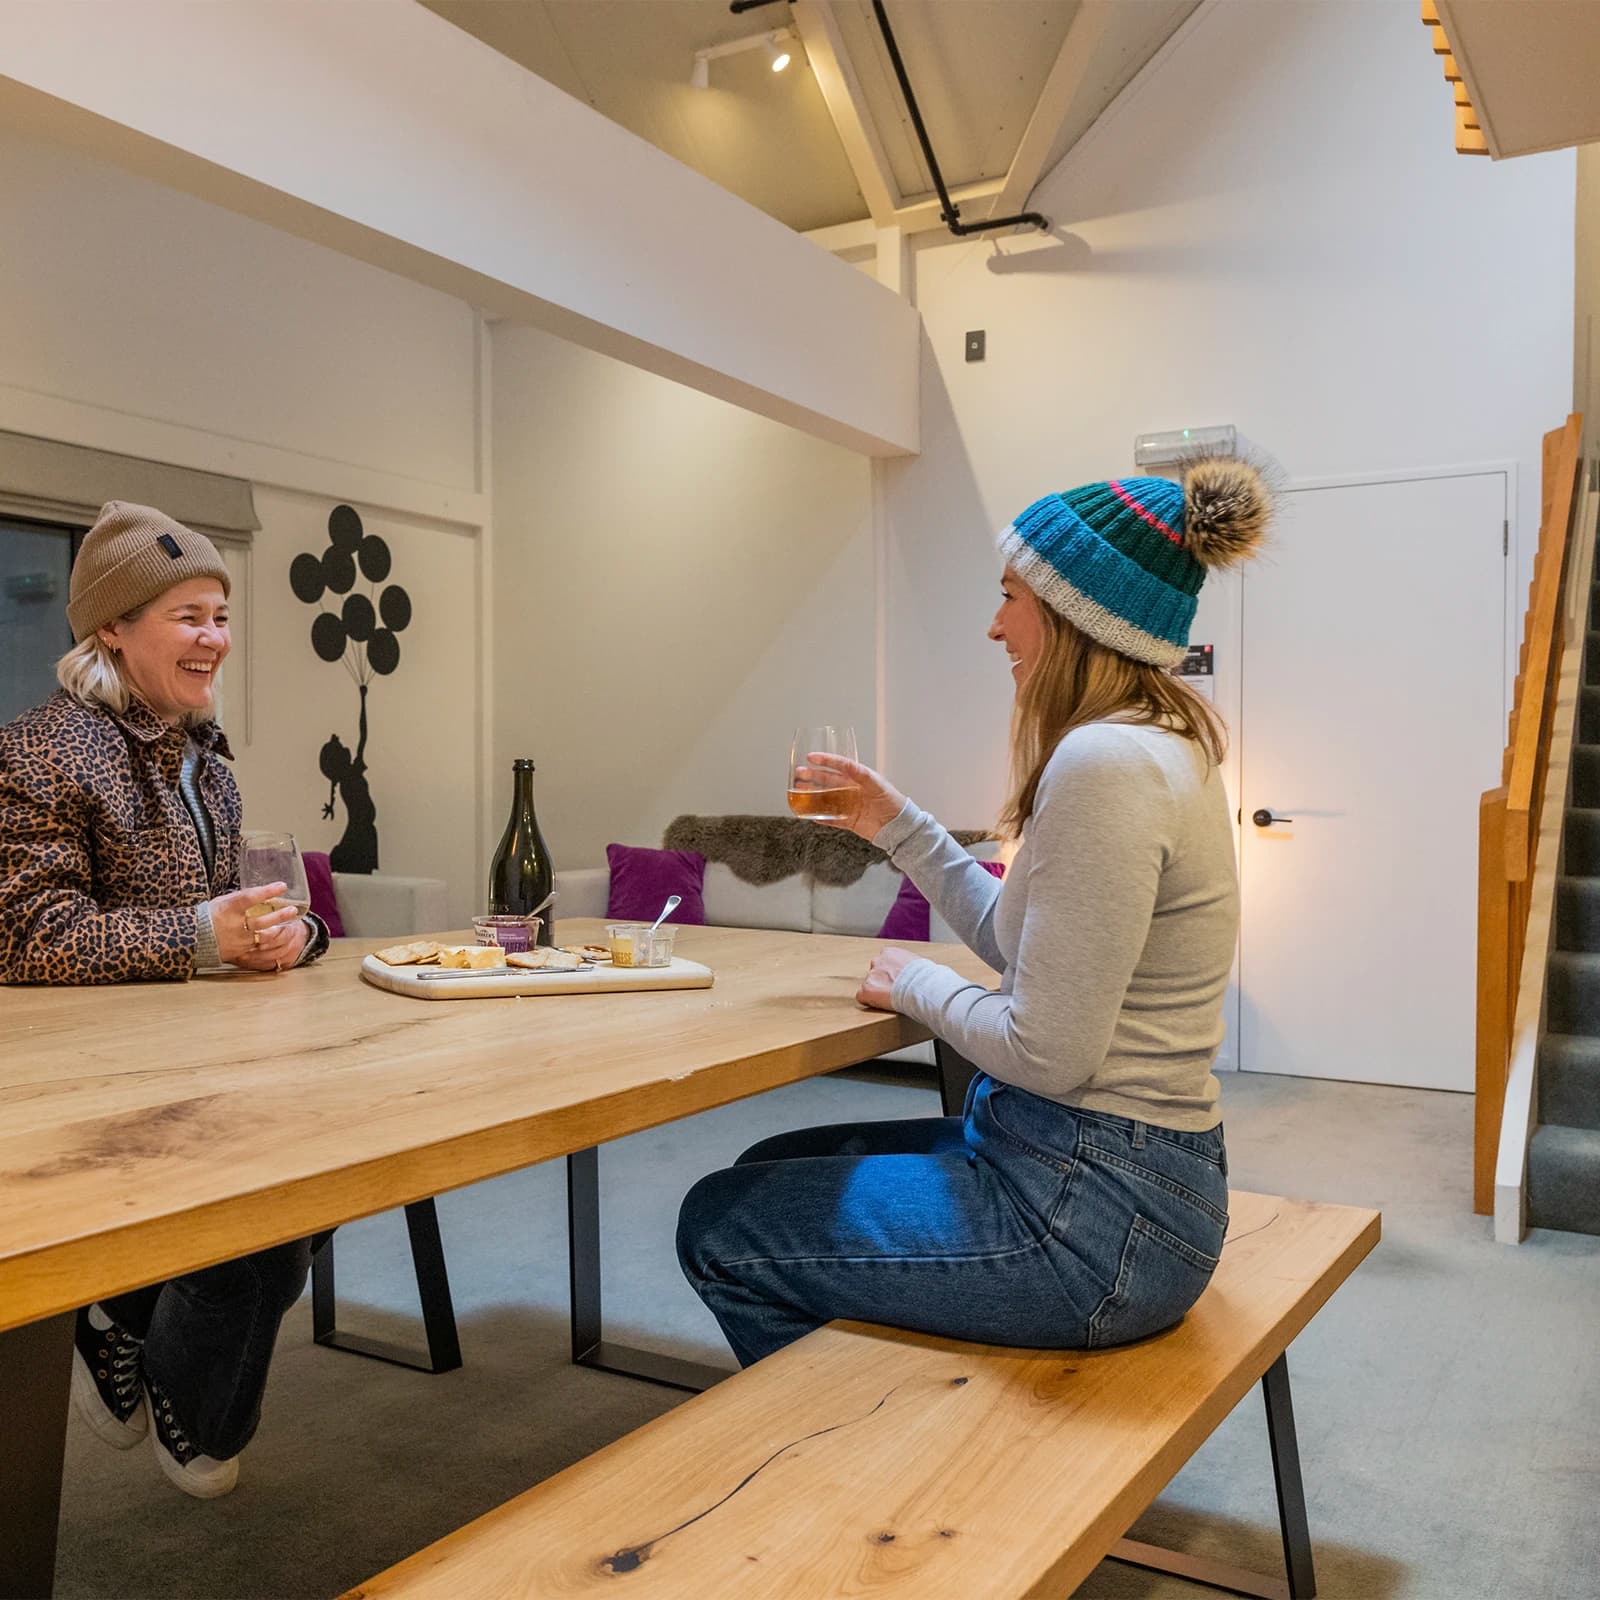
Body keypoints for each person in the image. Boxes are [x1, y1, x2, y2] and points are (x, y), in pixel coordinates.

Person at [676, 458, 1272, 1367]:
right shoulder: (1151, 748)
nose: (996, 626)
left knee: (720, 1223)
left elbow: (1047, 1050)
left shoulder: (1104, 765)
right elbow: (1014, 942)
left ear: (1076, 614)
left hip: (1094, 1215)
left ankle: (868, 1466)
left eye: (1010, 597)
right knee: (768, 1169)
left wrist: (918, 983)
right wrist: (898, 825)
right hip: (1117, 1178)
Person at [0, 501, 331, 1497]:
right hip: (96, 1086)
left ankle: (119, 1323)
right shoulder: (42, 749)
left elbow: (236, 915)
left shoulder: (208, 765)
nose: (215, 638)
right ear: (112, 626)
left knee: (304, 1210)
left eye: (220, 616)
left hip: (208, 1063)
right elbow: (23, 932)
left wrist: (289, 934)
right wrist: (200, 935)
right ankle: (181, 1393)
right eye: (188, 615)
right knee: (237, 1264)